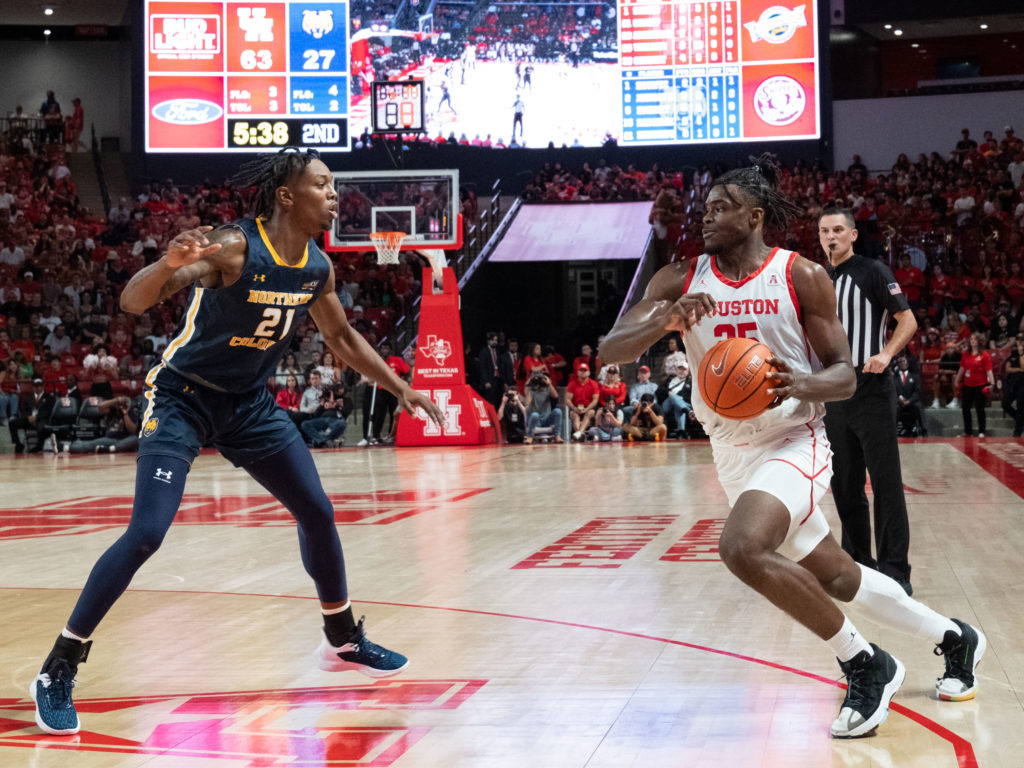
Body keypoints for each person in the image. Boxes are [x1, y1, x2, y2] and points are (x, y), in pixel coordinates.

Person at [29, 147, 444, 737]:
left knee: (317, 511)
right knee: (147, 533)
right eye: (322, 185)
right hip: (181, 399)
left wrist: (400, 387)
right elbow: (133, 301)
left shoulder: (316, 267)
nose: (333, 195)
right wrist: (168, 264)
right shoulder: (233, 246)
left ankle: (342, 637)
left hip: (248, 407)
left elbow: (343, 338)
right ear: (286, 196)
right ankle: (58, 667)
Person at [598, 155, 985, 739]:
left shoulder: (800, 274)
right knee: (838, 577)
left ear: (755, 217)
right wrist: (665, 320)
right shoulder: (678, 278)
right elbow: (611, 350)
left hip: (794, 438)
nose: (707, 217)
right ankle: (956, 638)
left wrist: (796, 384)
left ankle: (865, 664)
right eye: (705, 209)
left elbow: (845, 376)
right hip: (731, 450)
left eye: (722, 208)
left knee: (742, 548)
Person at [819, 207, 917, 596]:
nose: (831, 237)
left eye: (838, 230)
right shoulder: (817, 278)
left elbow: (906, 321)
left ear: (853, 235)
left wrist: (886, 354)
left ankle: (895, 570)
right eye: (825, 231)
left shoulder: (872, 271)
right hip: (834, 391)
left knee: (885, 482)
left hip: (872, 387)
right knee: (845, 484)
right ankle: (858, 564)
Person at [953, 332, 993, 437]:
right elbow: (962, 368)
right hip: (968, 384)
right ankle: (968, 431)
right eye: (971, 339)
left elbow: (989, 370)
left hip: (980, 384)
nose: (972, 341)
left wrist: (992, 383)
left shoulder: (984, 355)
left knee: (980, 408)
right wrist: (957, 379)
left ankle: (981, 431)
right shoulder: (966, 354)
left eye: (974, 339)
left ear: (979, 341)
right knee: (965, 408)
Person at [68, 395, 140, 454]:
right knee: (87, 445)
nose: (120, 406)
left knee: (135, 439)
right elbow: (100, 406)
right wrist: (116, 400)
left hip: (123, 440)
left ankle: (108, 449)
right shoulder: (113, 409)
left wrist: (125, 413)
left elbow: (132, 430)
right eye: (119, 404)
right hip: (109, 439)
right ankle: (66, 447)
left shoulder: (131, 411)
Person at [301, 380, 353, 447]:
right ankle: (324, 440)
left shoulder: (347, 400)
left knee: (342, 424)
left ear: (344, 388)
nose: (338, 389)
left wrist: (337, 406)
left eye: (340, 387)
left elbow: (345, 414)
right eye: (336, 387)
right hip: (323, 420)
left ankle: (322, 440)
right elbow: (315, 415)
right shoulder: (327, 397)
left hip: (335, 420)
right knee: (305, 424)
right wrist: (321, 406)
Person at [523, 370, 563, 444]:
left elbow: (555, 396)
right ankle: (530, 436)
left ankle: (557, 435)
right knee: (535, 415)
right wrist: (528, 386)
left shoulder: (547, 389)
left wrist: (549, 384)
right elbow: (527, 404)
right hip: (536, 420)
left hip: (547, 419)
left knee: (558, 411)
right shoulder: (531, 391)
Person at [566, 362, 599, 440]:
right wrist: (574, 408)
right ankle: (580, 434)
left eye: (585, 370)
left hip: (588, 406)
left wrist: (586, 409)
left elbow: (595, 400)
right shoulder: (572, 384)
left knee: (589, 413)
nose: (583, 372)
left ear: (589, 372)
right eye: (581, 370)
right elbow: (567, 399)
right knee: (574, 415)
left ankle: (579, 433)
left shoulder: (594, 384)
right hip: (576, 406)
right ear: (577, 372)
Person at [894, 355, 926, 437]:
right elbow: (892, 392)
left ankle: (924, 430)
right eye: (900, 362)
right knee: (893, 407)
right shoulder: (894, 378)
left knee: (919, 406)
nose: (902, 363)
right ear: (898, 364)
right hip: (899, 402)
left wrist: (909, 401)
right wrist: (899, 399)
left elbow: (918, 392)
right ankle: (892, 431)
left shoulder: (915, 377)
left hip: (911, 401)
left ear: (907, 363)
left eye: (904, 361)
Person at [1002, 333, 1024, 437]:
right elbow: (1008, 368)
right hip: (1012, 383)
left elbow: (1023, 367)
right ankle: (1020, 419)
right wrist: (1018, 369)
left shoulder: (1019, 353)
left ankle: (1017, 432)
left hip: (1022, 383)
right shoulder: (1013, 352)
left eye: (1022, 339)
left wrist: (1021, 353)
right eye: (1018, 339)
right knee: (1005, 404)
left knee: (1021, 406)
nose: (1020, 341)